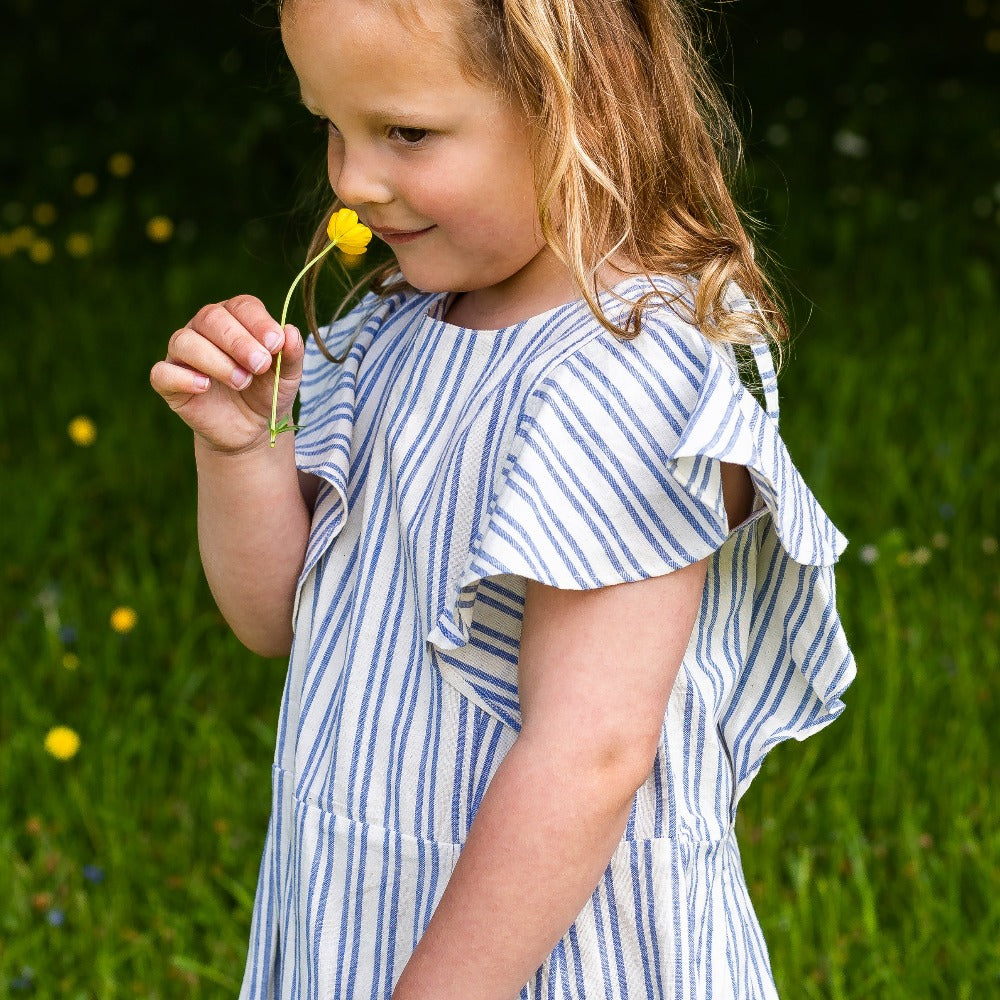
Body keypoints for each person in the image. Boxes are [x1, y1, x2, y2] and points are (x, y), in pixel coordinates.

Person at [150, 0, 856, 996]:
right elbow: (280, 619)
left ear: (585, 106)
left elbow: (591, 752)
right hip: (366, 907)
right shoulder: (398, 326)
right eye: (332, 126)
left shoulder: (622, 375)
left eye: (407, 132)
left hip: (555, 951)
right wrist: (240, 454)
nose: (352, 179)